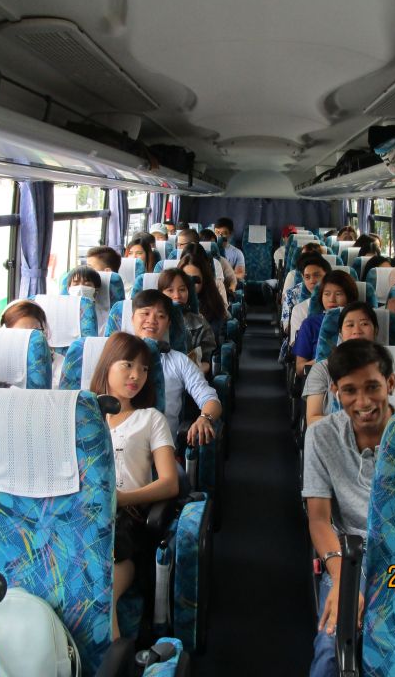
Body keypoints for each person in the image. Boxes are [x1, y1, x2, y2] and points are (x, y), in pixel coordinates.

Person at [303, 340, 395, 677]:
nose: (363, 402)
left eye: (372, 387)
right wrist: (344, 580)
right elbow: (319, 519)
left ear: (390, 383)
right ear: (335, 392)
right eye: (350, 391)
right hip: (351, 554)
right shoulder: (321, 436)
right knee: (331, 650)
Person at [88, 332, 179, 640]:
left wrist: (122, 499)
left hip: (126, 520)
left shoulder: (150, 418)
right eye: (128, 365)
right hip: (83, 515)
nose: (136, 375)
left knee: (102, 597)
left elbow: (169, 483)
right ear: (107, 365)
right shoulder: (81, 417)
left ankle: (115, 659)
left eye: (144, 369)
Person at [129, 290, 222, 443]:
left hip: (165, 446)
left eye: (161, 316)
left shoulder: (179, 361)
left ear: (168, 324)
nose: (152, 320)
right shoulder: (116, 357)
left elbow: (210, 399)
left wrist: (204, 418)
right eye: (145, 313)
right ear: (132, 318)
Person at [304, 303, 379, 426]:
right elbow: (312, 420)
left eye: (364, 324)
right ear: (340, 333)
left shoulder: (389, 367)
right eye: (350, 325)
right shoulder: (323, 369)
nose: (357, 331)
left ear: (375, 331)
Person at [292, 271, 360, 376]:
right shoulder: (310, 324)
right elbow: (300, 369)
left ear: (349, 297)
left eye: (338, 294)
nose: (332, 299)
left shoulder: (361, 324)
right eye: (327, 294)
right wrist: (322, 361)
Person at [159, 268, 217, 374]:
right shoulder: (152, 323)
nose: (177, 296)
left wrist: (191, 375)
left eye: (182, 289)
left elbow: (206, 361)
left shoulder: (199, 323)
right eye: (170, 290)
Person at [0, 299, 66, 388]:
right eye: (21, 334)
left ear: (45, 332)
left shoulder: (62, 366)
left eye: (35, 333)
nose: (29, 339)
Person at [178, 244, 229, 339]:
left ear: (204, 280)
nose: (189, 286)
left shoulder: (213, 309)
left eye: (195, 280)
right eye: (185, 280)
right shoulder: (167, 306)